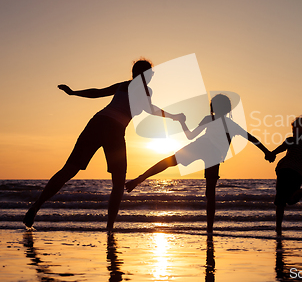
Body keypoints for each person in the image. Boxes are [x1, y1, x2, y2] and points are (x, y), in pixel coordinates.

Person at [23, 59, 184, 232]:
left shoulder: (124, 85)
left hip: (97, 122)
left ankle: (36, 206)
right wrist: (174, 116)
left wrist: (73, 93)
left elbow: (97, 93)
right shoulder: (146, 89)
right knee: (118, 181)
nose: (152, 76)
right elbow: (150, 109)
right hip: (114, 130)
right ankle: (109, 228)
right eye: (151, 73)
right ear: (144, 75)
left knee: (69, 169)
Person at [125, 94, 274, 233]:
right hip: (214, 154)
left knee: (169, 162)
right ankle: (209, 229)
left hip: (201, 146)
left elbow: (190, 136)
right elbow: (251, 138)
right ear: (228, 109)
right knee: (210, 192)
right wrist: (267, 152)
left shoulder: (209, 119)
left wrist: (182, 122)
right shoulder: (231, 124)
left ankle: (140, 178)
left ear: (213, 108)